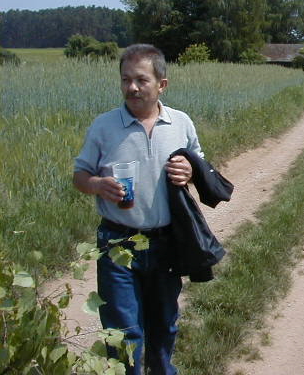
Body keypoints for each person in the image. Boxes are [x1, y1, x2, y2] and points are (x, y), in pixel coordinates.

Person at [73, 44, 203, 374]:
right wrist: (97, 185)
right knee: (122, 335)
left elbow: (197, 166)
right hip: (117, 244)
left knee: (163, 328)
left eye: (141, 80)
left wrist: (189, 173)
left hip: (166, 242)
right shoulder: (104, 127)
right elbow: (80, 175)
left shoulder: (181, 124)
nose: (132, 87)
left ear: (162, 84)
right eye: (125, 79)